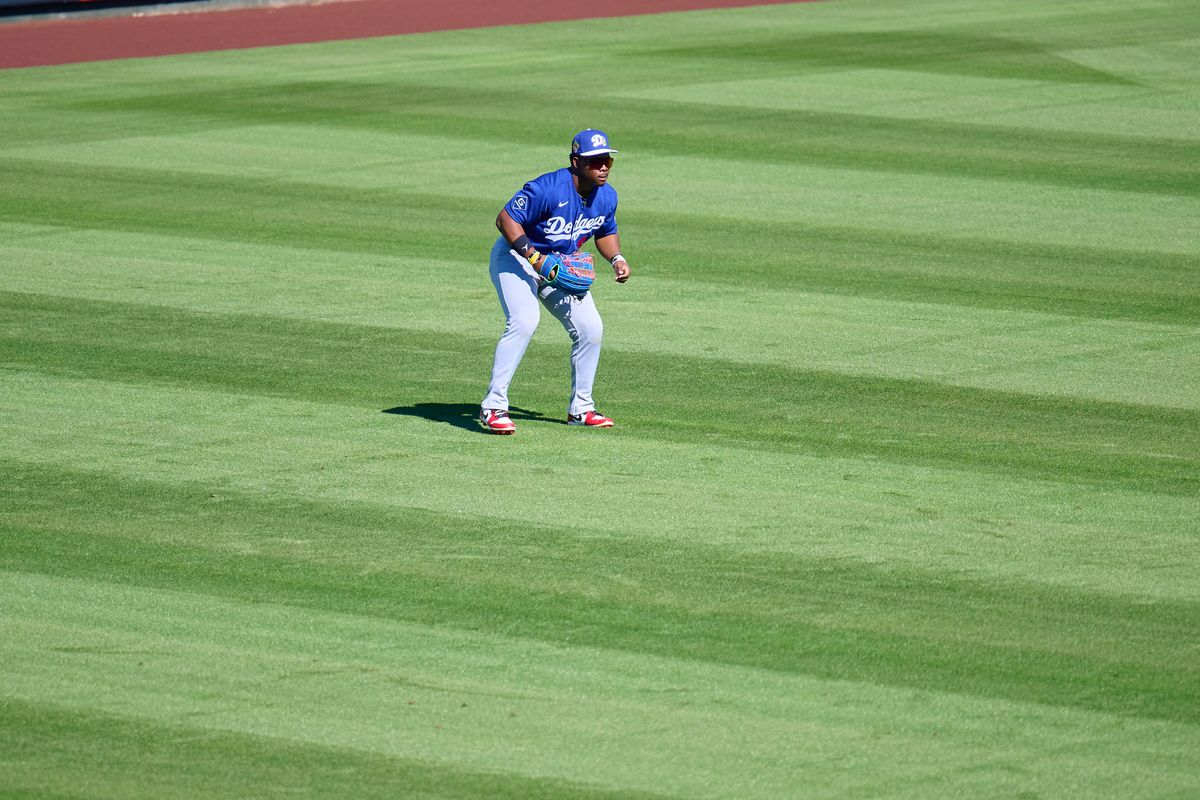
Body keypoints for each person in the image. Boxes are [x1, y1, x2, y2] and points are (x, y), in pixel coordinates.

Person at [479, 129, 632, 435]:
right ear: (576, 162)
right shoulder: (547, 189)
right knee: (524, 320)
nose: (603, 166)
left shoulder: (607, 196)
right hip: (516, 256)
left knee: (591, 328)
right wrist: (534, 257)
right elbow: (505, 219)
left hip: (559, 265)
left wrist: (616, 258)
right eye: (595, 161)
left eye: (607, 160)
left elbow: (605, 232)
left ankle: (581, 409)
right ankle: (493, 406)